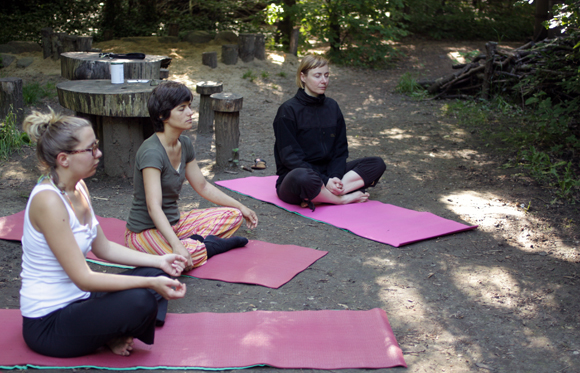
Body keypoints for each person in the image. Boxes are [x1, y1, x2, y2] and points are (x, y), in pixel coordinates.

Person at [20, 109, 187, 358]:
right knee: (142, 301)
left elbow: (104, 248)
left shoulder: (79, 187)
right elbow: (84, 278)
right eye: (91, 149)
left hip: (82, 300)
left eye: (96, 146)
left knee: (157, 272)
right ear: (64, 159)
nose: (99, 153)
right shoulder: (48, 201)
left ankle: (109, 331)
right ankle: (111, 333)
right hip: (49, 323)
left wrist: (160, 260)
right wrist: (151, 283)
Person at [125, 81, 258, 272]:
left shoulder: (185, 144)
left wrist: (240, 206)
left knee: (234, 215)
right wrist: (176, 245)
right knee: (178, 260)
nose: (190, 113)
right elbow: (153, 207)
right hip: (144, 233)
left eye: (189, 106)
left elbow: (202, 186)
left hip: (175, 225)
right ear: (162, 115)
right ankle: (207, 246)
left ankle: (192, 244)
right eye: (182, 108)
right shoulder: (151, 152)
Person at [273, 54, 387, 211]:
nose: (324, 81)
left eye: (326, 75)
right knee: (303, 177)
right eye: (317, 76)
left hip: (330, 175)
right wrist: (324, 180)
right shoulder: (288, 111)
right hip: (297, 177)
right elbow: (290, 158)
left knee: (376, 164)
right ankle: (341, 199)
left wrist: (335, 177)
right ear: (303, 77)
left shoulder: (332, 107)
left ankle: (325, 196)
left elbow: (340, 151)